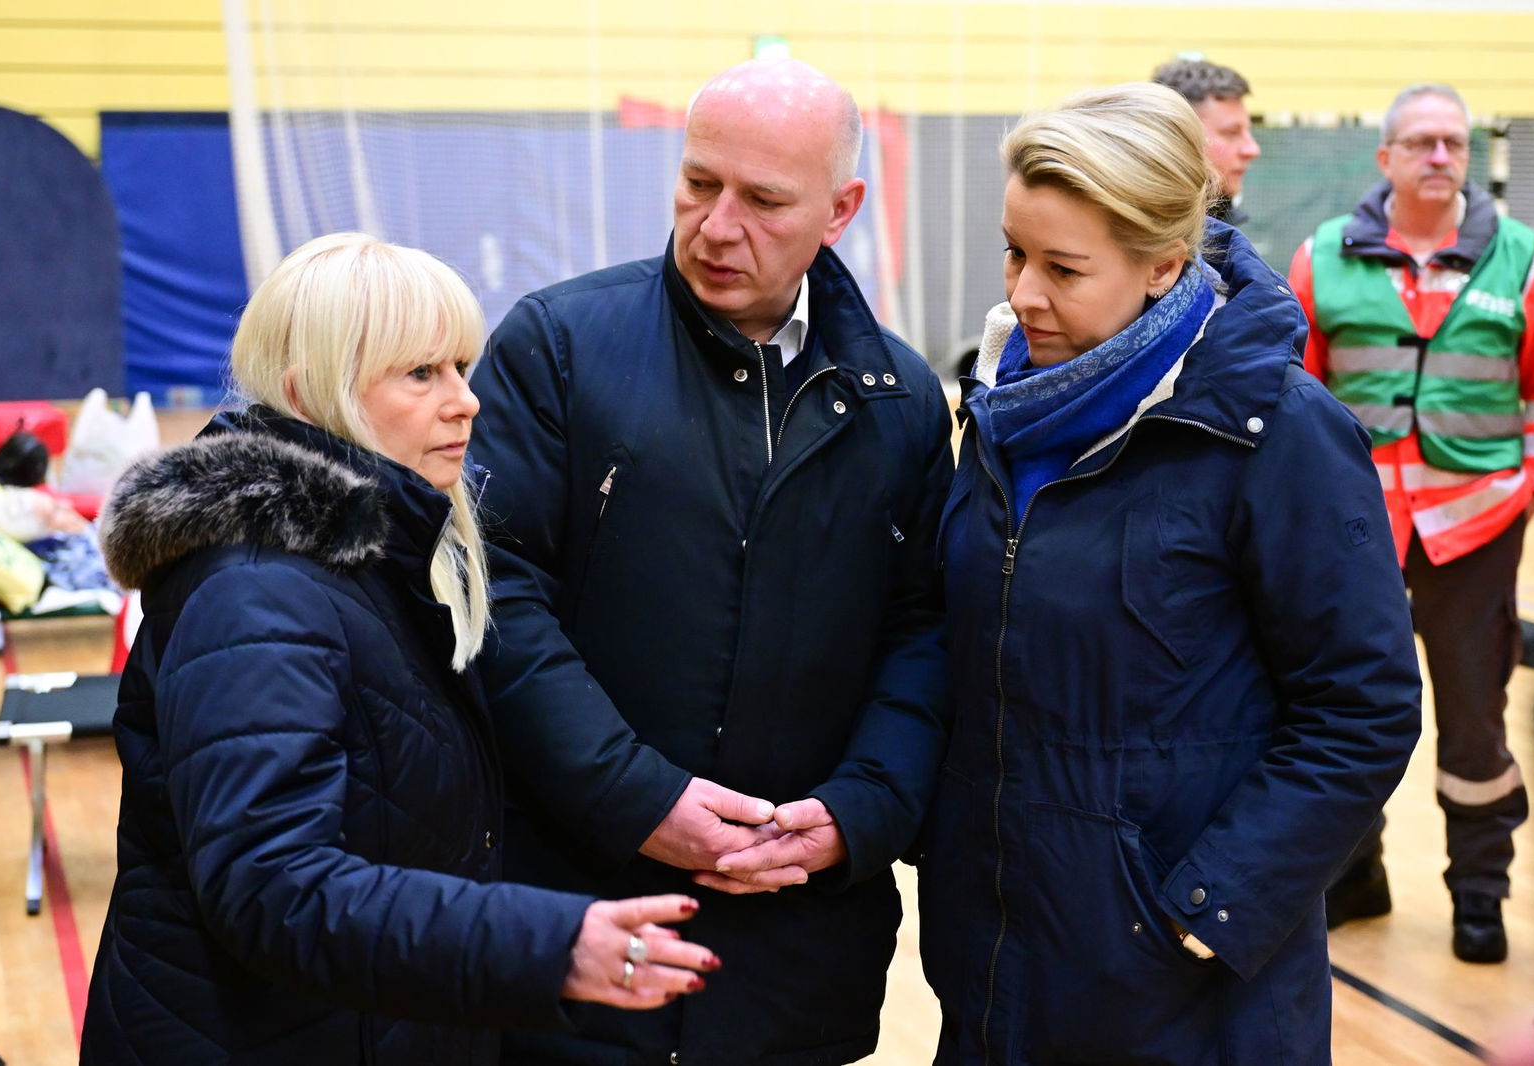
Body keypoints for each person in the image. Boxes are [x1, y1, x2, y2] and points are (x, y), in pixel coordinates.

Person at [80, 233, 719, 1066]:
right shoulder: (258, 589)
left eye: (461, 366)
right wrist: (543, 944)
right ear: (313, 395)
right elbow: (275, 886)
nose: (467, 402)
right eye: (422, 374)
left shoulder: (366, 558)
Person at [919, 83, 1421, 1065]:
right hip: (997, 963)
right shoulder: (998, 413)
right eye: (1014, 253)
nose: (1022, 294)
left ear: (1162, 265)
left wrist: (1206, 909)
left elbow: (1363, 706)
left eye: (1063, 268)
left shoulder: (1278, 431)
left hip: (1187, 993)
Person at [466, 57, 953, 1066]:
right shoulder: (556, 347)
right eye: (699, 184)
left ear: (841, 208)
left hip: (799, 949)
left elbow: (923, 633)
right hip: (577, 919)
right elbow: (497, 596)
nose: (717, 225)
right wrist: (639, 798)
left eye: (764, 199)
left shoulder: (899, 399)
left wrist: (861, 810)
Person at [1288, 83, 1534, 962]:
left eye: (1453, 142)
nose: (1440, 156)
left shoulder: (1527, 258)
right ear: (1385, 159)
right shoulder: (1322, 256)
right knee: (1344, 709)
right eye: (1420, 142)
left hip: (1477, 524)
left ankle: (1480, 896)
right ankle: (1355, 876)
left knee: (1474, 718)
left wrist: (1531, 476)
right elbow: (1299, 383)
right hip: (1355, 529)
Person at [1152, 57, 1261, 225]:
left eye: (1248, 131)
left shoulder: (1221, 229)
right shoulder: (1134, 235)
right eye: (1232, 133)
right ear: (1177, 135)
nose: (1252, 150)